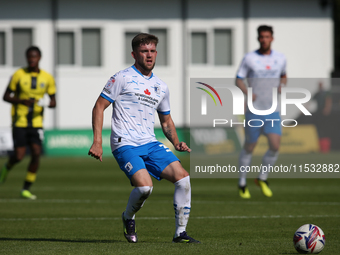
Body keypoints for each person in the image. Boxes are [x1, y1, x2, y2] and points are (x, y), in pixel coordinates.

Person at [88, 33, 200, 244]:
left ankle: (180, 233)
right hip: (125, 143)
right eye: (144, 51)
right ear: (134, 54)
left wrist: (176, 142)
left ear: (156, 53)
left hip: (150, 142)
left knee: (183, 179)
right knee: (145, 187)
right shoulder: (121, 77)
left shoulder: (161, 86)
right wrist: (97, 141)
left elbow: (166, 121)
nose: (149, 55)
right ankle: (128, 217)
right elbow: (99, 107)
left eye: (152, 51)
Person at [235, 25, 287, 199]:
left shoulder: (280, 58)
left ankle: (262, 178)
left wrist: (282, 85)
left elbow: (284, 75)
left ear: (272, 38)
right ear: (258, 39)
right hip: (254, 111)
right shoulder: (250, 58)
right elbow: (238, 79)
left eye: (267, 36)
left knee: (275, 145)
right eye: (261, 37)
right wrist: (248, 93)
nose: (264, 39)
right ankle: (242, 182)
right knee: (250, 147)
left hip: (272, 110)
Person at [0, 46, 56, 200]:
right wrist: (20, 101)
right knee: (19, 156)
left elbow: (53, 102)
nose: (32, 59)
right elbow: (5, 96)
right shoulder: (18, 75)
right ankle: (6, 168)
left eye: (35, 57)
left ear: (39, 58)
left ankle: (25, 188)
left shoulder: (47, 78)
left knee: (36, 153)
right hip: (20, 121)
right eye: (29, 57)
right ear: (26, 58)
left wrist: (46, 103)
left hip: (37, 123)